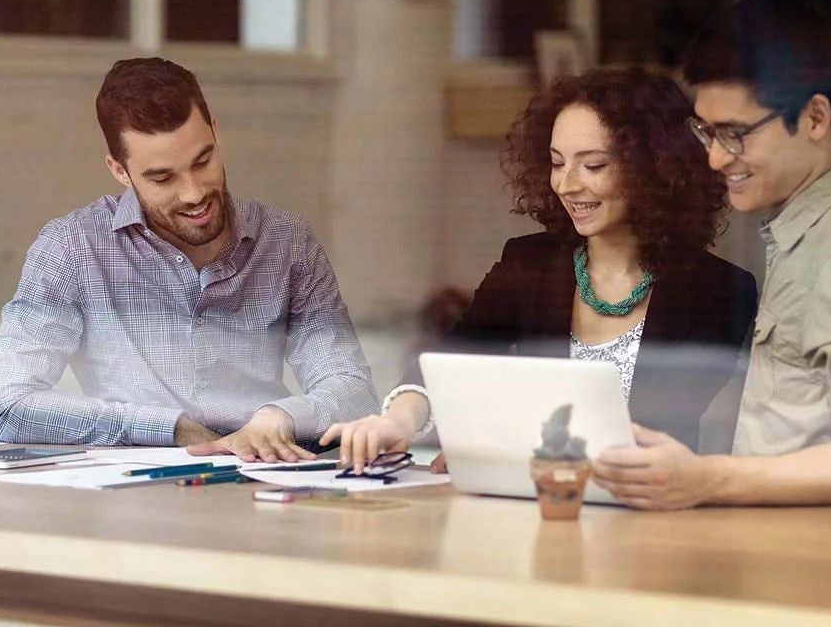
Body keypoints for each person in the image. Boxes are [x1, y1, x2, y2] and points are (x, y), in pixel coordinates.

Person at [593, 0, 831, 510]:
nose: (715, 158)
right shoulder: (808, 236)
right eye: (706, 132)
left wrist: (707, 479)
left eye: (734, 134)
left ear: (814, 118)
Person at [322, 68, 758, 470]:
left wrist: (494, 446)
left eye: (593, 165)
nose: (567, 184)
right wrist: (399, 419)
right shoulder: (528, 263)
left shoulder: (718, 289)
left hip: (644, 516)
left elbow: (646, 431)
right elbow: (450, 359)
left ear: (656, 170)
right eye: (556, 162)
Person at [0, 57, 377, 460]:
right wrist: (171, 429)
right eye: (162, 178)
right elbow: (7, 406)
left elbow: (352, 390)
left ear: (216, 132)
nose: (193, 193)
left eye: (202, 161)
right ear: (120, 171)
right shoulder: (71, 249)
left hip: (268, 476)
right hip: (139, 492)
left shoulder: (286, 241)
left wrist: (280, 416)